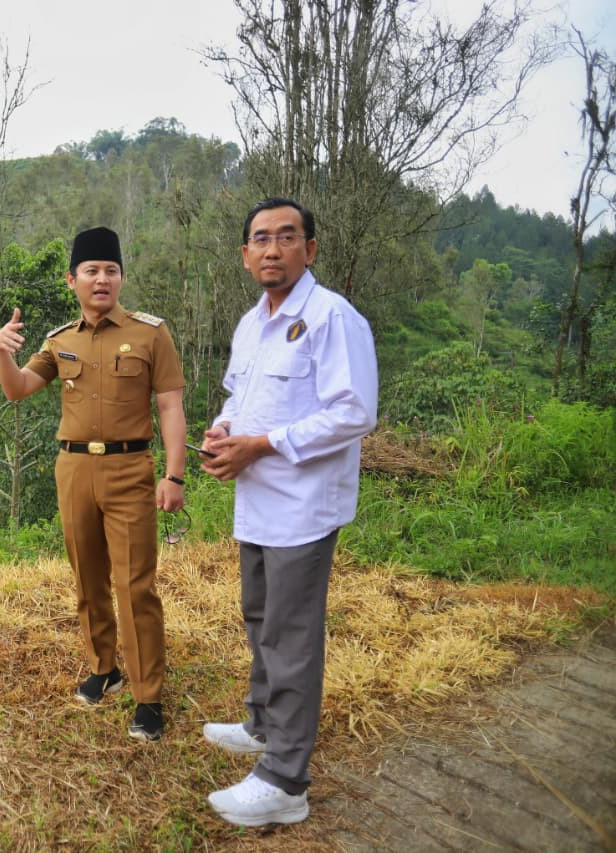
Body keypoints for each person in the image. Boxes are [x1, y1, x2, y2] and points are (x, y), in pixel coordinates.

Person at [198, 198, 378, 826]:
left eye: (286, 236)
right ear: (246, 255)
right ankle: (262, 724)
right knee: (259, 616)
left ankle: (285, 781)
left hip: (303, 504)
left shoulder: (332, 318)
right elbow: (237, 395)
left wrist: (263, 444)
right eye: (260, 239)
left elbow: (355, 412)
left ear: (310, 248)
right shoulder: (252, 323)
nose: (272, 249)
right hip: (256, 498)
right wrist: (223, 433)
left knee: (291, 635)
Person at [0, 226, 187, 742]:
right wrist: (1, 351)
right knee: (87, 576)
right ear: (72, 279)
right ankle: (105, 669)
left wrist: (174, 473)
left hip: (130, 470)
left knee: (135, 585)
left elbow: (169, 405)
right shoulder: (60, 341)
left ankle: (148, 697)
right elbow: (18, 390)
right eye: (92, 271)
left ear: (121, 277)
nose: (102, 279)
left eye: (111, 270)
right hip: (74, 469)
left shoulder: (150, 334)